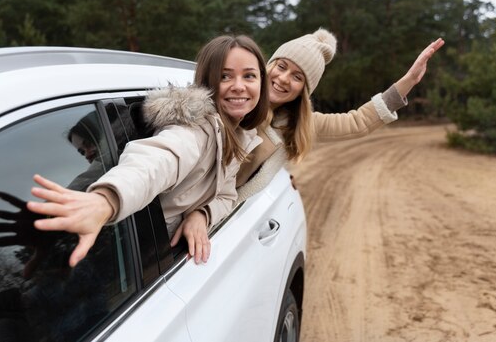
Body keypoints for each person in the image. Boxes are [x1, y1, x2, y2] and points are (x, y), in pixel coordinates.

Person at [175, 29, 445, 259]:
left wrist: (409, 80)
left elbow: (359, 121)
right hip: (174, 213)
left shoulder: (294, 126)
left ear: (304, 90)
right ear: (266, 65)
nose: (283, 79)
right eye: (281, 66)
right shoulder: (226, 98)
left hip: (211, 229)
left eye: (297, 77)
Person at [25, 35, 270, 267]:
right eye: (225, 77)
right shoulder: (195, 130)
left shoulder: (237, 136)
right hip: (128, 257)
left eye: (249, 76)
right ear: (207, 82)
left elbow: (226, 196)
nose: (239, 86)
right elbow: (155, 163)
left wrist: (202, 214)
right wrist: (105, 201)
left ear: (261, 81)